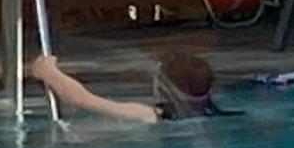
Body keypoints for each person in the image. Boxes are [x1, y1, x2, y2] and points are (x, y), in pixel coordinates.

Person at [27, 42, 224, 123]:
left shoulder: (150, 117)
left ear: (162, 87)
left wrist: (49, 72)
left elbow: (81, 99)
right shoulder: (218, 118)